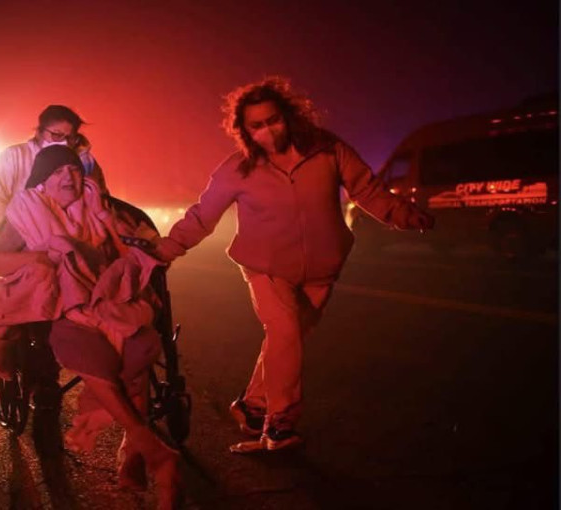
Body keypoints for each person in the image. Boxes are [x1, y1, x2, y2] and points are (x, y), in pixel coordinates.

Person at [154, 77, 435, 453]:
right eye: (256, 126)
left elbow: (365, 188)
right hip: (265, 266)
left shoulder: (328, 149)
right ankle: (280, 426)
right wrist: (168, 248)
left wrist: (403, 215)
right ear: (245, 131)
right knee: (284, 333)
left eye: (273, 120)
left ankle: (253, 406)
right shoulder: (237, 168)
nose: (267, 131)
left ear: (288, 116)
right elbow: (204, 215)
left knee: (286, 342)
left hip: (322, 267)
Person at [0, 145, 179, 508]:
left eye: (73, 169)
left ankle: (136, 449)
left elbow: (141, 241)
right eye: (57, 172)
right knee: (82, 348)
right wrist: (45, 256)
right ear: (42, 179)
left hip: (110, 300)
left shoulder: (101, 206)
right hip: (59, 308)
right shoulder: (26, 210)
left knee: (139, 344)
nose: (67, 177)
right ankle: (151, 449)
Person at [0, 104, 107, 225]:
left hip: (72, 240)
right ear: (39, 132)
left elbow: (102, 202)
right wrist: (18, 231)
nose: (64, 142)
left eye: (71, 137)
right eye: (56, 135)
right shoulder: (14, 156)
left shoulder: (87, 163)